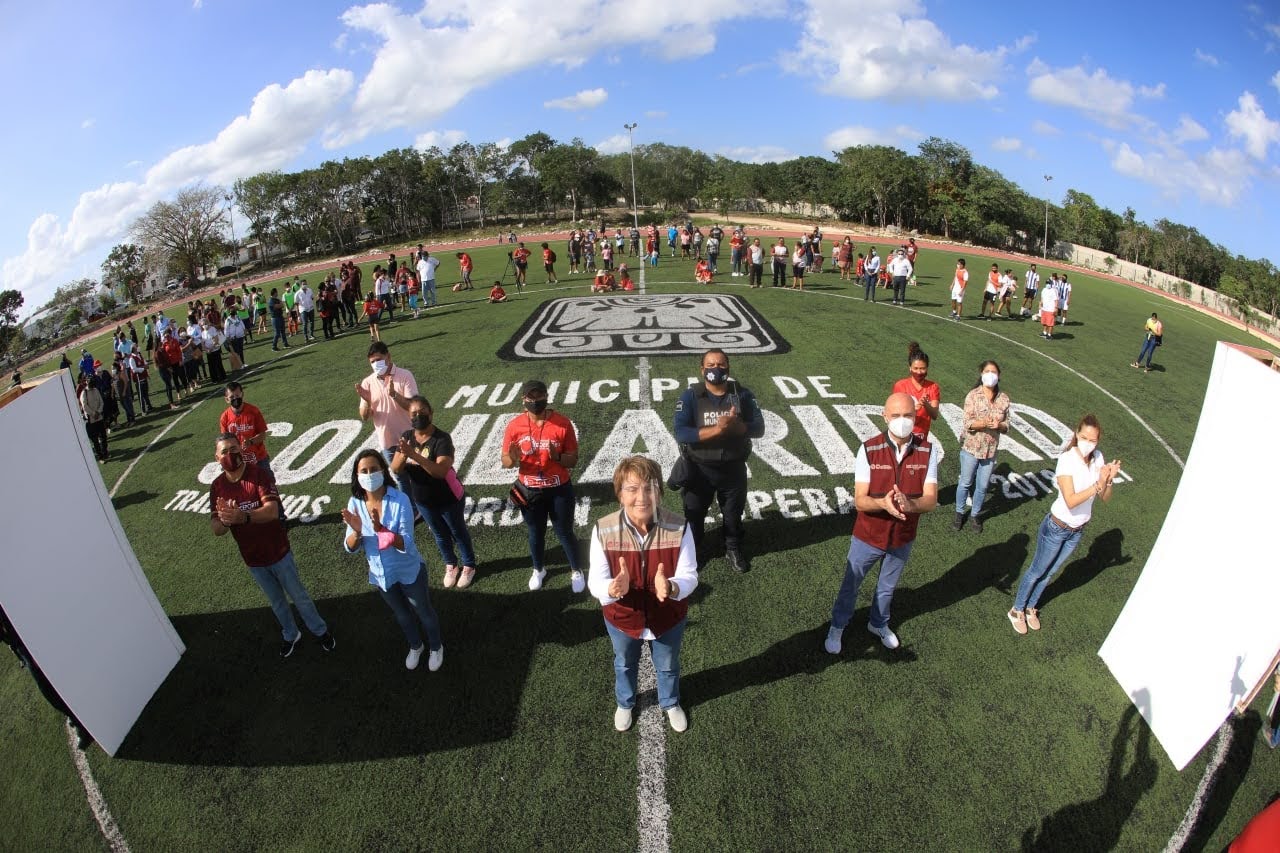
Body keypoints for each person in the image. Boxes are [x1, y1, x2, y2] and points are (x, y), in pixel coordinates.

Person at [824, 392, 941, 653]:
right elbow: (860, 501)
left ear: (915, 416)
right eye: (896, 415)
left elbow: (931, 500)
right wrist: (883, 504)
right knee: (850, 585)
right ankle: (838, 626)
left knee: (887, 588)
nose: (903, 421)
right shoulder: (868, 449)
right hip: (868, 536)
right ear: (884, 416)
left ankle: (878, 623)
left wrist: (909, 505)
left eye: (908, 415)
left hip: (902, 537)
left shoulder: (927, 450)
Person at [588, 456, 698, 733]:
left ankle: (670, 701)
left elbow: (690, 576)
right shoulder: (603, 529)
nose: (642, 497)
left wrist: (672, 587)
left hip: (668, 618)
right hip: (622, 619)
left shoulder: (679, 526)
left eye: (649, 488)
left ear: (659, 491)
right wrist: (612, 588)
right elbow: (595, 582)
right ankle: (625, 702)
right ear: (620, 493)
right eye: (632, 489)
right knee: (624, 663)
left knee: (668, 665)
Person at [210, 433, 335, 657]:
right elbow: (217, 528)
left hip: (278, 552)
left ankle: (320, 630)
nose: (230, 455)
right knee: (277, 603)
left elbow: (273, 511)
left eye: (233, 448)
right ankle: (291, 634)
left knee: (300, 597)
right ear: (216, 457)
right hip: (253, 559)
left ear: (241, 448)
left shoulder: (259, 474)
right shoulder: (217, 486)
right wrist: (225, 519)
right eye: (224, 452)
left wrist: (243, 516)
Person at [1008, 414, 1122, 634]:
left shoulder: (1098, 458)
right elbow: (1070, 500)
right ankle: (1017, 609)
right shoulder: (1067, 460)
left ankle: (1031, 606)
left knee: (1051, 572)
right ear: (1076, 434)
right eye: (1085, 437)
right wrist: (1098, 484)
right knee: (1038, 570)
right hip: (1057, 527)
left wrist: (1108, 480)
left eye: (1094, 440)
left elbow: (1106, 497)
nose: (1089, 443)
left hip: (1077, 530)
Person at [340, 450, 444, 671]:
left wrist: (380, 530)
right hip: (381, 575)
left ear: (383, 471)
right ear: (356, 475)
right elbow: (350, 547)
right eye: (364, 471)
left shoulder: (400, 500)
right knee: (402, 615)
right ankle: (416, 646)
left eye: (374, 469)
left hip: (408, 570)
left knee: (423, 611)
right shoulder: (355, 503)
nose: (369, 474)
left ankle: (436, 646)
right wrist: (357, 533)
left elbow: (406, 543)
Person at [672, 349, 765, 573]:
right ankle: (693, 552)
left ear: (728, 367)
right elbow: (681, 432)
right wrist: (719, 429)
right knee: (694, 515)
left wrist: (740, 428)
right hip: (698, 470)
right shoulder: (690, 396)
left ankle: (732, 548)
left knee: (733, 515)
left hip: (733, 469)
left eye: (721, 364)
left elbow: (759, 428)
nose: (716, 369)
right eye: (711, 364)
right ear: (702, 369)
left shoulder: (742, 395)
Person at [501, 379, 584, 592]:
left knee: (564, 531)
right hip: (529, 490)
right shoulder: (514, 425)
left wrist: (557, 458)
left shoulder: (563, 423)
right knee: (535, 532)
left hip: (559, 489)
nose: (535, 401)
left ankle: (576, 569)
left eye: (539, 397)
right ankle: (538, 569)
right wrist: (513, 458)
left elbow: (572, 460)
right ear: (524, 399)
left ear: (546, 397)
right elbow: (506, 461)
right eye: (531, 397)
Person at [392, 395, 478, 589]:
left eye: (422, 412)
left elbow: (440, 472)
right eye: (413, 413)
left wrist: (413, 455)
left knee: (457, 531)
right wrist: (403, 455)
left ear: (431, 413)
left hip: (448, 498)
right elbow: (396, 469)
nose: (418, 416)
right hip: (423, 500)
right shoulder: (407, 437)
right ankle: (451, 564)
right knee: (439, 534)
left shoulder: (442, 439)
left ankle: (469, 565)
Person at [1, 604, 94, 750]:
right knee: (49, 685)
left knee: (49, 689)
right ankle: (78, 716)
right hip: (19, 638)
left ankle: (83, 722)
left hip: (25, 633)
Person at [954, 360, 1011, 533]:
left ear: (999, 376)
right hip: (971, 448)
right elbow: (967, 423)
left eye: (994, 372)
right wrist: (983, 423)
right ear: (981, 374)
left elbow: (1008, 425)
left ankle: (975, 514)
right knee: (965, 482)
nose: (990, 375)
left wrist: (999, 426)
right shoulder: (973, 395)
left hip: (990, 451)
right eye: (987, 371)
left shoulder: (1004, 398)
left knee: (983, 486)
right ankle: (959, 512)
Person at [356, 342, 418, 492]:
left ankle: (425, 507)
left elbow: (413, 407)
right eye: (372, 362)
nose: (376, 364)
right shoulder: (367, 383)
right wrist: (367, 401)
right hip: (388, 442)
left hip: (411, 438)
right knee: (401, 479)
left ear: (388, 357)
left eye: (379, 359)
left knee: (419, 476)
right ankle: (412, 511)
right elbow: (364, 416)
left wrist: (394, 395)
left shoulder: (405, 375)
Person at [891, 342, 940, 443]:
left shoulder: (933, 387)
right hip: (901, 434)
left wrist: (926, 404)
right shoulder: (900, 386)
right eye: (916, 368)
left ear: (927, 368)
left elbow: (934, 415)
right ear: (910, 368)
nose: (919, 372)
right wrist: (913, 410)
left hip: (920, 437)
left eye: (922, 368)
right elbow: (894, 412)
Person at [79, 376, 108, 462]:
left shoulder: (96, 390)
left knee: (103, 436)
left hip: (99, 418)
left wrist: (98, 412)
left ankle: (105, 452)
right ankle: (100, 456)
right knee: (95, 440)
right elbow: (85, 406)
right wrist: (93, 413)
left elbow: (101, 402)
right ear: (87, 382)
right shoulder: (84, 393)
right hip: (91, 420)